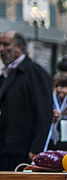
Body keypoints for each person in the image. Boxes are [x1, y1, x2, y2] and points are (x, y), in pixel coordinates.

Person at [0, 31, 53, 169]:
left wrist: (36, 149)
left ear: (20, 47)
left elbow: (44, 113)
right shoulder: (6, 74)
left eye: (6, 44)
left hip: (23, 152)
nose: (1, 49)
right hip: (6, 150)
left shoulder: (35, 73)